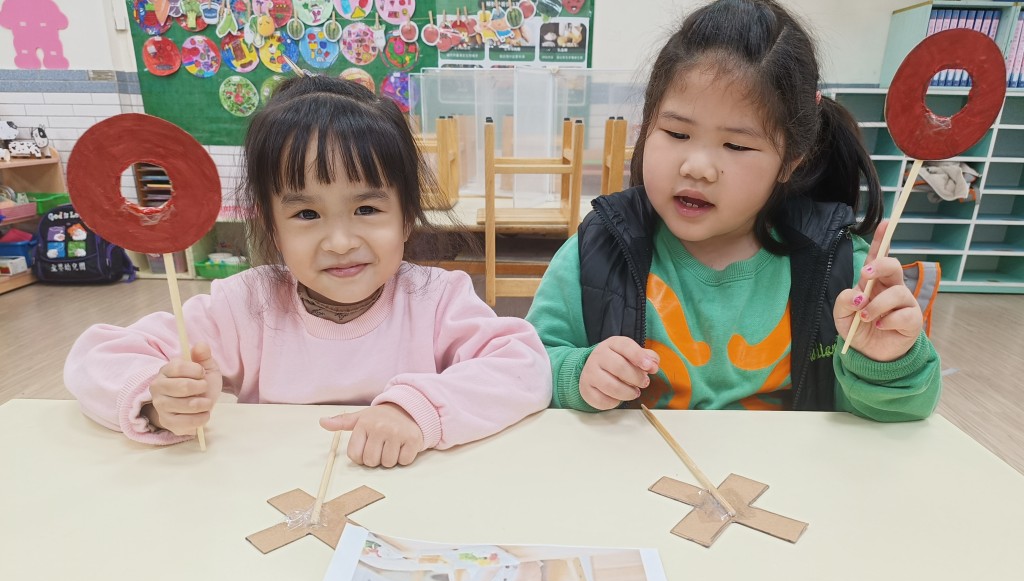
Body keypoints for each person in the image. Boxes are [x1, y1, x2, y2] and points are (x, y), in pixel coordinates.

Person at [64, 76, 551, 466]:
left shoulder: (436, 298)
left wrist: (417, 410)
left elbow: (525, 367)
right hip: (271, 498)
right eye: (306, 214)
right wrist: (157, 398)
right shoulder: (246, 305)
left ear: (406, 217)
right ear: (272, 228)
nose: (340, 242)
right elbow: (95, 358)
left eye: (366, 209)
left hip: (408, 503)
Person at [525, 0, 941, 420]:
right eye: (676, 133)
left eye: (736, 145)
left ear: (790, 162)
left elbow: (900, 419)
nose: (697, 167)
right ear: (646, 127)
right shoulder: (598, 249)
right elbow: (526, 366)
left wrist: (884, 362)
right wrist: (577, 374)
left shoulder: (839, 268)